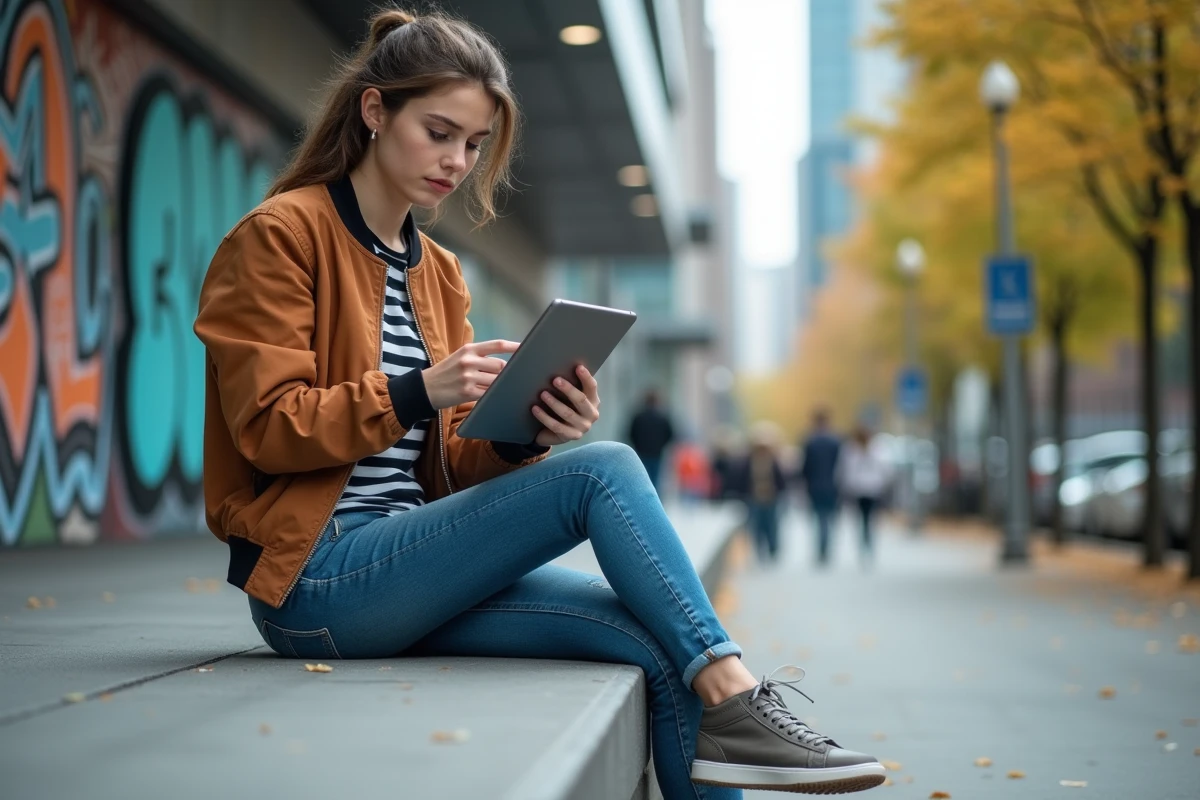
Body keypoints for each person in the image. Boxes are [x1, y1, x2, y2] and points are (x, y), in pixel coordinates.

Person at [192, 9, 883, 797]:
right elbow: (266, 431)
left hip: (415, 565)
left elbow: (451, 468)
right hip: (318, 583)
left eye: (474, 144)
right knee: (603, 471)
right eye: (439, 132)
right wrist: (421, 389)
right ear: (375, 111)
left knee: (661, 647)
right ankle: (738, 698)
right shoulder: (281, 236)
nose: (456, 161)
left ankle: (726, 703)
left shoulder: (439, 272)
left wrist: (525, 433)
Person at [837, 425, 893, 566]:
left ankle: (866, 545)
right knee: (867, 519)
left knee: (865, 520)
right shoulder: (854, 450)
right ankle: (866, 545)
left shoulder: (873, 449)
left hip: (866, 489)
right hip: (866, 489)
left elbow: (845, 471)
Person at [737, 424, 788, 563]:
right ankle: (760, 551)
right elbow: (743, 478)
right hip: (754, 498)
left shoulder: (773, 460)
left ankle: (773, 548)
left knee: (771, 525)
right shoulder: (749, 460)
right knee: (757, 526)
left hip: (770, 497)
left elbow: (780, 479)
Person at [799, 409, 841, 567]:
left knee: (819, 518)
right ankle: (825, 547)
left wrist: (804, 482)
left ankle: (821, 548)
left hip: (815, 486)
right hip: (832, 485)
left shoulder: (810, 441)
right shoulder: (835, 440)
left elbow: (805, 467)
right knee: (828, 518)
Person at [628, 389, 676, 495]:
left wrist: (638, 445)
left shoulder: (638, 417)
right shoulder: (662, 418)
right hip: (656, 454)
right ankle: (653, 502)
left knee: (642, 479)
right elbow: (670, 435)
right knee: (655, 480)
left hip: (641, 453)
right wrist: (661, 446)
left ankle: (642, 500)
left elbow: (630, 434)